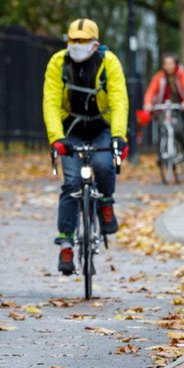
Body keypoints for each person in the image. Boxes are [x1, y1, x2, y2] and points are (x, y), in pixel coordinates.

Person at [42, 18, 129, 276]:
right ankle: (66, 244)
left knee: (103, 165)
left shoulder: (109, 62)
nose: (76, 45)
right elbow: (50, 101)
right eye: (73, 40)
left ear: (95, 44)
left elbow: (119, 99)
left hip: (102, 126)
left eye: (82, 41)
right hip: (71, 129)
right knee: (71, 183)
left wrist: (118, 136)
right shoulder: (58, 62)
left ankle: (106, 204)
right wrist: (57, 138)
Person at [142, 53, 184, 154]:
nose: (168, 66)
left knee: (180, 127)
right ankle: (161, 152)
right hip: (164, 107)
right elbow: (151, 91)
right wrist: (147, 103)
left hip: (179, 107)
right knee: (162, 125)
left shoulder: (181, 75)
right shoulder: (159, 77)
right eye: (166, 64)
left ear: (175, 64)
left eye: (171, 63)